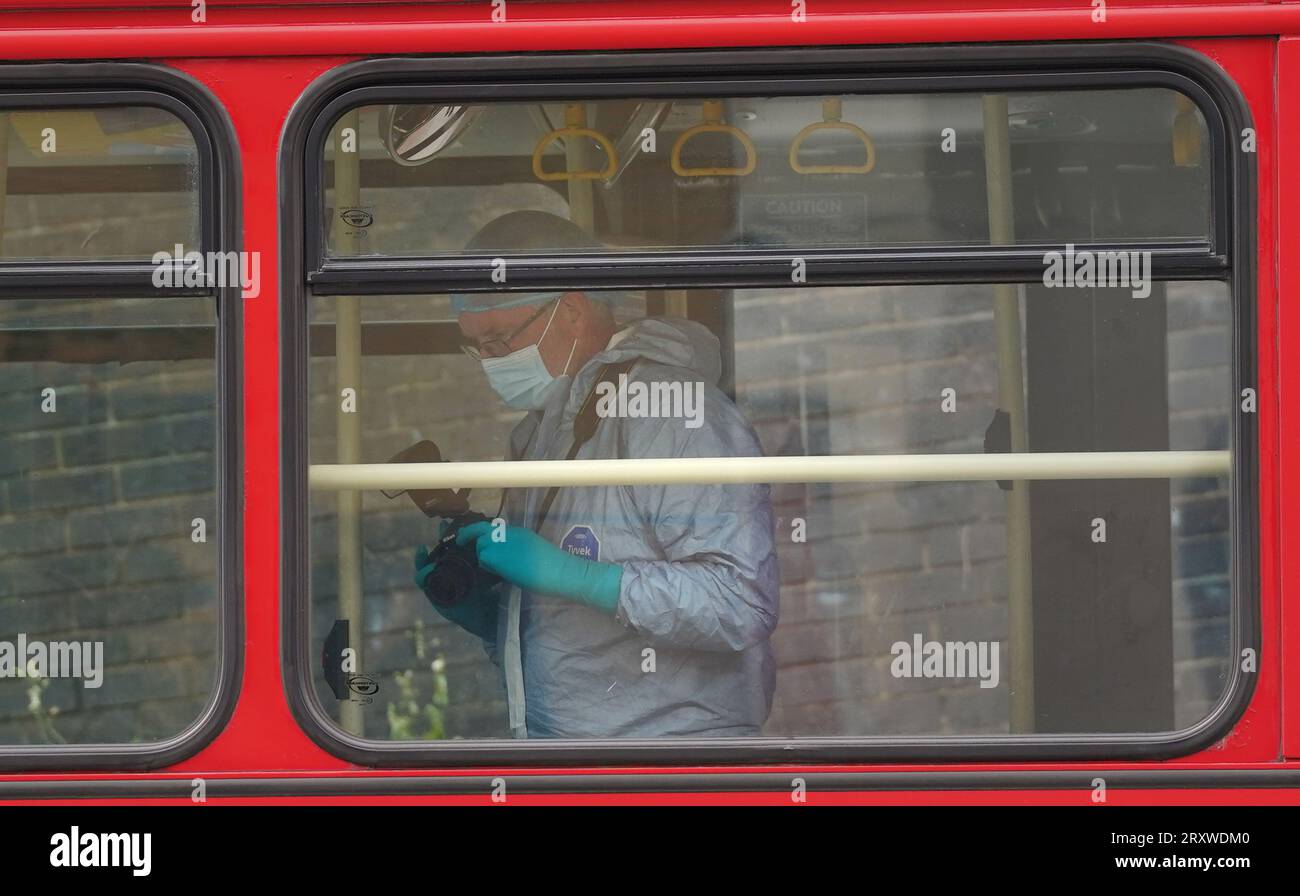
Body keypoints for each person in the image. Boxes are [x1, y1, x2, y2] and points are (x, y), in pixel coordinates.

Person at [413, 210, 779, 738]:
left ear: (573, 312)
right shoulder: (542, 431)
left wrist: (581, 577)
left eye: (498, 340)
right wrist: (490, 613)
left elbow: (740, 602)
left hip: (669, 765)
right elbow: (574, 644)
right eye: (476, 346)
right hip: (568, 756)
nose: (488, 361)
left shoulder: (672, 412)